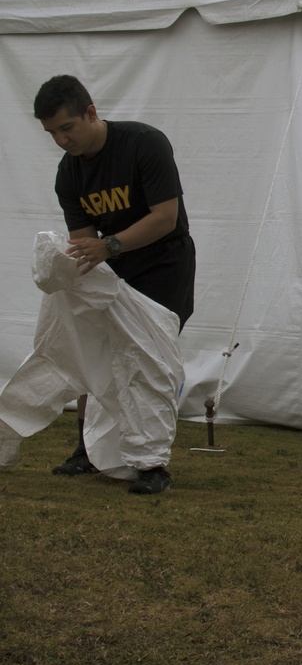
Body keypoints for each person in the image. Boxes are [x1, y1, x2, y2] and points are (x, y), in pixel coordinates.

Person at [33, 75, 196, 495]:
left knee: (148, 362)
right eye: (52, 133)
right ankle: (87, 451)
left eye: (67, 127)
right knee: (97, 354)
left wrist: (111, 245)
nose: (61, 140)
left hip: (163, 265)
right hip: (112, 270)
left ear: (91, 112)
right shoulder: (68, 175)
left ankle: (152, 464)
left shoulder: (145, 143)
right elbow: (82, 243)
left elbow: (164, 216)